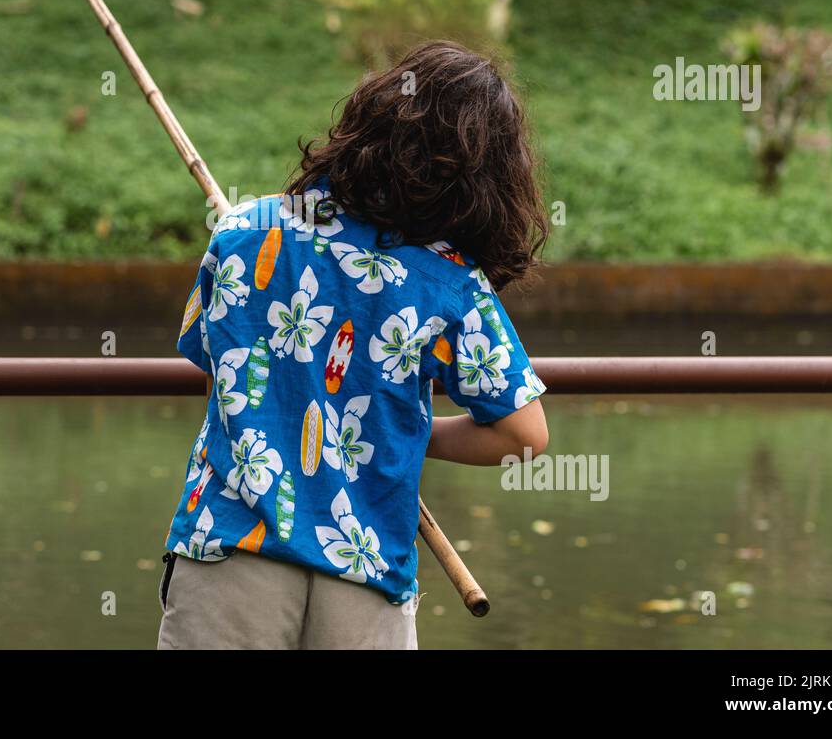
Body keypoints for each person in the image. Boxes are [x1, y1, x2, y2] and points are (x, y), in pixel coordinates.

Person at [158, 40, 550, 649]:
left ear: (368, 121)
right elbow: (525, 437)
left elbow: (216, 370)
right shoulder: (449, 281)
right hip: (365, 569)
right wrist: (404, 438)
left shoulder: (242, 232)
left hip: (229, 550)